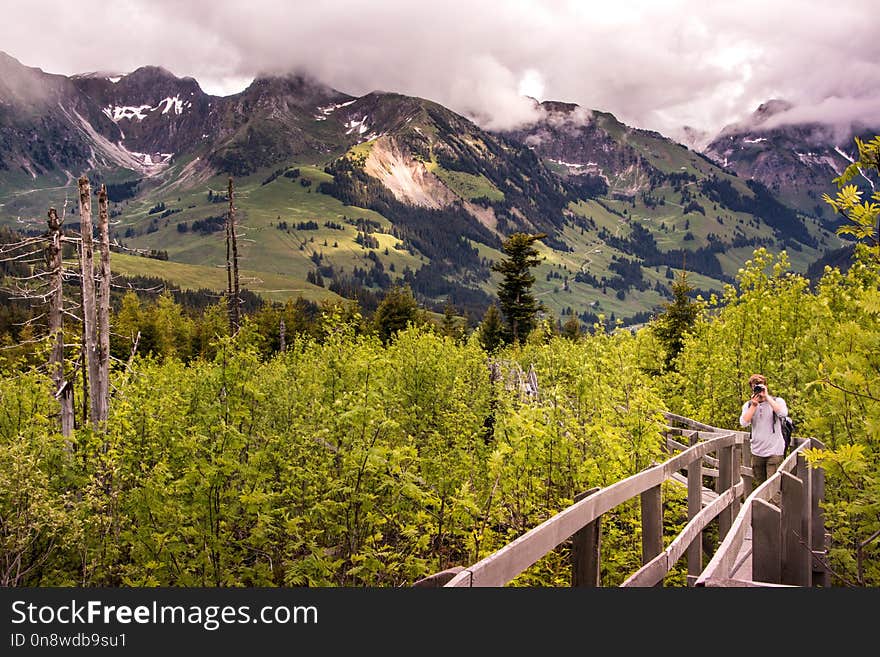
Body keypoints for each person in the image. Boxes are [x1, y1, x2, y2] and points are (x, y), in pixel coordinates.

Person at [739, 373, 789, 489]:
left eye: (760, 385)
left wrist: (767, 397)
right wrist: (754, 405)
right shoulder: (749, 405)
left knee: (773, 488)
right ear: (751, 387)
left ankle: (775, 507)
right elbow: (744, 423)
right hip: (757, 452)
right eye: (755, 386)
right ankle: (764, 508)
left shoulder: (777, 401)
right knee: (761, 489)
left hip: (775, 451)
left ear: (766, 386)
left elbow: (782, 414)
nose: (758, 388)